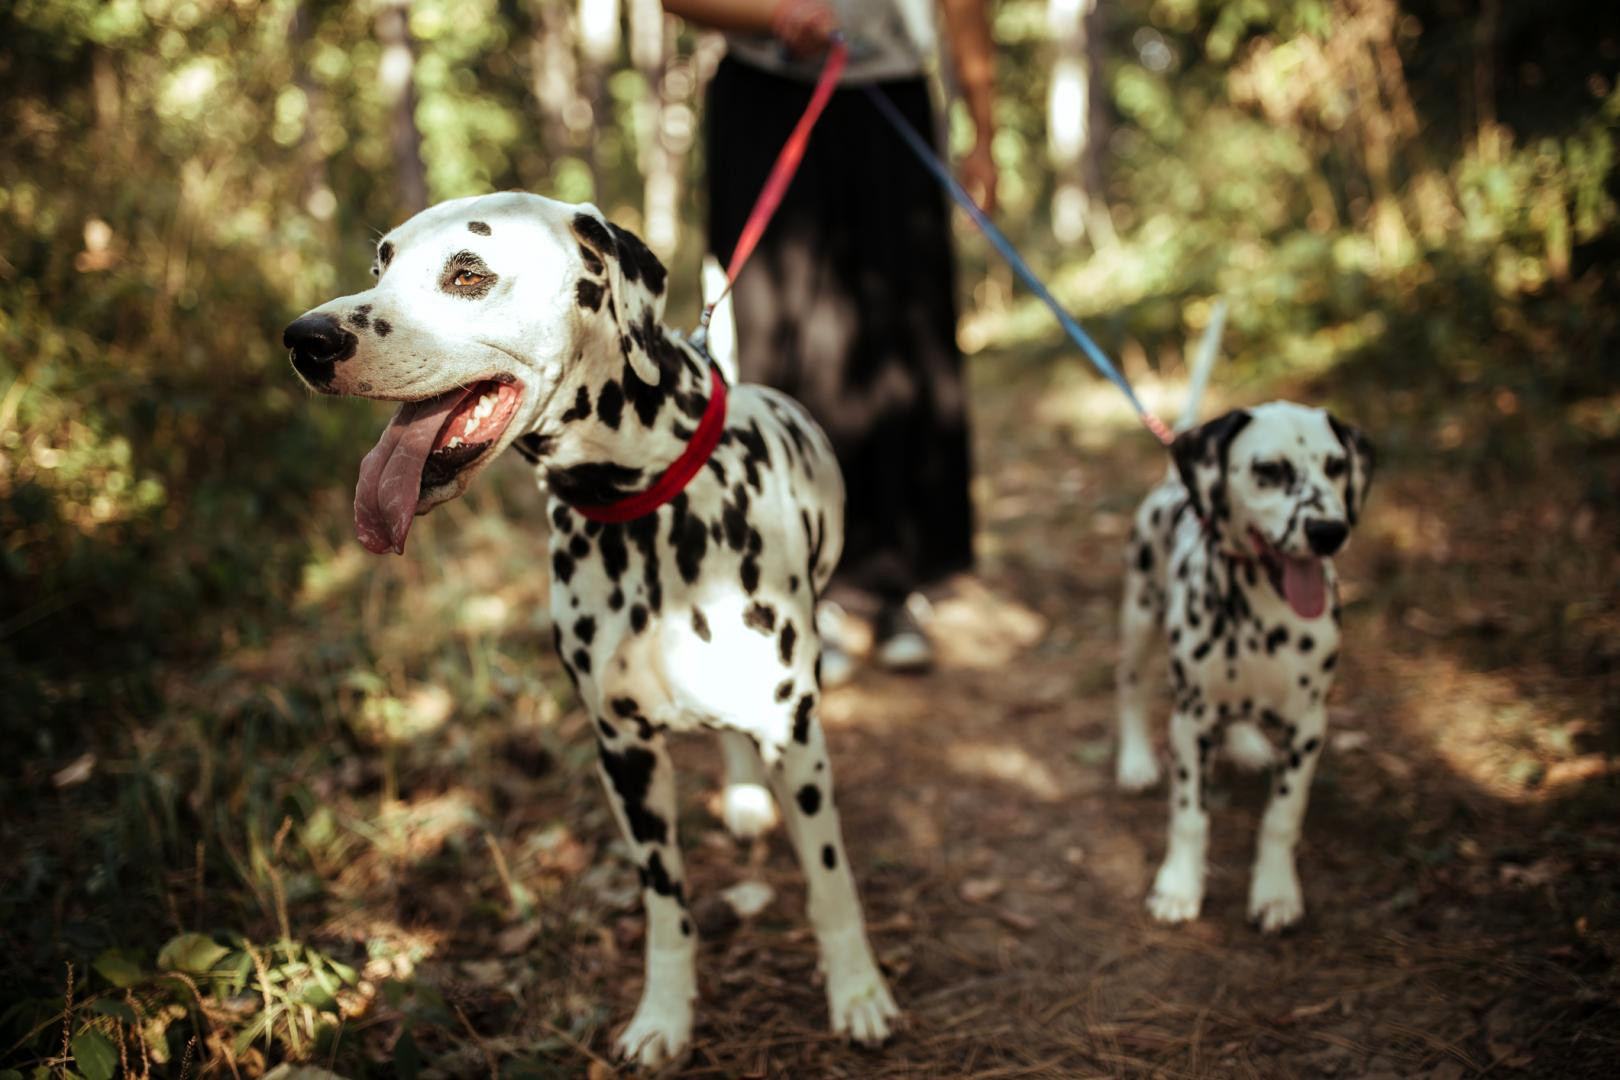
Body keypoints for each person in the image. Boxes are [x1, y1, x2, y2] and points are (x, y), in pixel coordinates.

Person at [663, 0, 997, 678]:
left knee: (903, 342)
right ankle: (798, 585)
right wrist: (773, 15)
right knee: (785, 345)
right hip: (764, 96)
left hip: (886, 95)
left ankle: (894, 583)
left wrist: (983, 132)